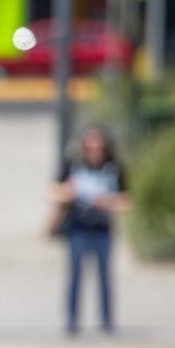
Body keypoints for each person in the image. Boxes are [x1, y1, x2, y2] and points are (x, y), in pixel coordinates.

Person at [51, 126, 130, 335]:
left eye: (99, 143)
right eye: (90, 143)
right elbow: (53, 190)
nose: (94, 148)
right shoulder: (73, 166)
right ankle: (72, 321)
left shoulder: (113, 168)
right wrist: (68, 192)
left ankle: (107, 321)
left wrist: (109, 202)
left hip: (102, 228)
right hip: (77, 226)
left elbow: (126, 201)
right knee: (76, 274)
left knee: (105, 276)